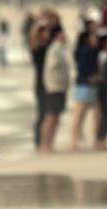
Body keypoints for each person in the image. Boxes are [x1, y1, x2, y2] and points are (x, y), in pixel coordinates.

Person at [40, 25, 69, 153]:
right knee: (51, 116)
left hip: (59, 87)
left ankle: (50, 144)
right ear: (58, 35)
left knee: (56, 116)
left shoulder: (61, 49)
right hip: (54, 87)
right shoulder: (55, 49)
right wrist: (56, 82)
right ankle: (44, 145)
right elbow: (52, 67)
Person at [70, 30, 99, 150]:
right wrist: (90, 77)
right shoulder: (85, 51)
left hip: (86, 84)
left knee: (84, 114)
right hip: (84, 85)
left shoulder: (89, 51)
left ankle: (80, 138)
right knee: (79, 114)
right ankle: (74, 141)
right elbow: (82, 68)